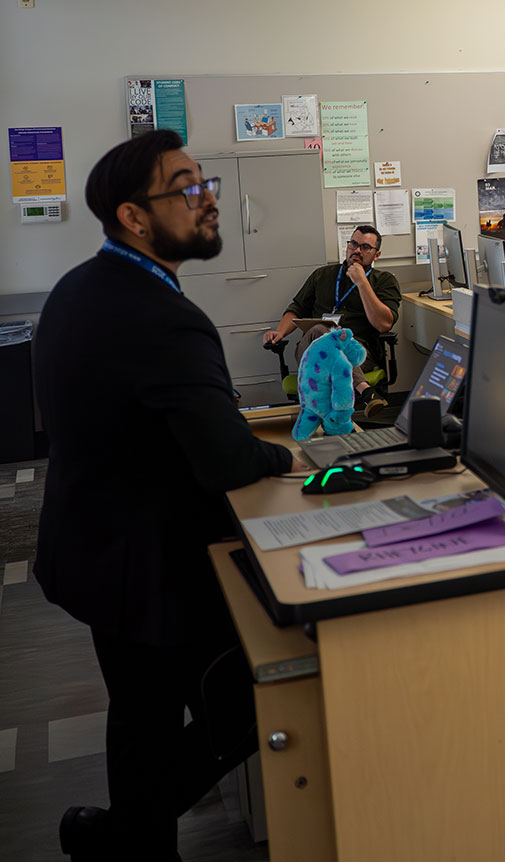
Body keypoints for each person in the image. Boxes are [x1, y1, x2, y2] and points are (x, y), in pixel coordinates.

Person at [33, 131, 299, 859]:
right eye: (185, 187)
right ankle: (128, 834)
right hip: (147, 563)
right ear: (134, 217)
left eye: (203, 180)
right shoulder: (163, 318)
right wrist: (291, 458)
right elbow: (226, 461)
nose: (208, 197)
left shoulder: (79, 288)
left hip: (92, 547)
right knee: (260, 697)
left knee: (142, 712)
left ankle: (127, 838)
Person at [262, 223, 402, 417]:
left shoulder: (384, 280)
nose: (357, 250)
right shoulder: (323, 275)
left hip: (358, 352)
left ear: (376, 255)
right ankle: (365, 390)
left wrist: (362, 283)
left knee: (330, 338)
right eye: (353, 244)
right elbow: (296, 308)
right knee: (321, 330)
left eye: (365, 247)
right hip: (310, 348)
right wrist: (280, 332)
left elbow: (384, 324)